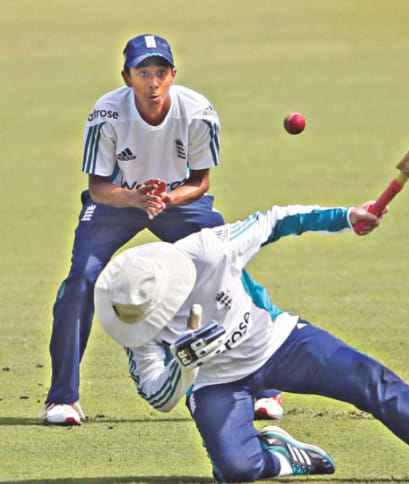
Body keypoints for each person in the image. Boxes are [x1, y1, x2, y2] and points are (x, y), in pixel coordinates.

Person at [92, 201, 409, 483]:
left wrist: (343, 218)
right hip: (216, 384)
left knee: (371, 379)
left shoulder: (209, 250)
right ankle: (283, 457)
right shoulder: (130, 317)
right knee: (236, 470)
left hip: (279, 342)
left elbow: (276, 220)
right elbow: (158, 396)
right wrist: (184, 364)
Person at [42, 33, 282, 425]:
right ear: (127, 77)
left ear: (173, 75)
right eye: (143, 73)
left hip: (178, 201)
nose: (152, 82)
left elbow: (200, 181)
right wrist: (135, 199)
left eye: (160, 72)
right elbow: (98, 187)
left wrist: (167, 199)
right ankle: (62, 400)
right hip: (118, 202)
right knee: (81, 280)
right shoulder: (107, 114)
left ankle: (264, 387)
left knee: (227, 269)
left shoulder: (198, 112)